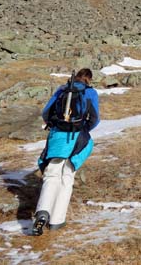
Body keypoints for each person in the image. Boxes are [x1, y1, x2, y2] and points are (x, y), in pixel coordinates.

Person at [32, 68, 100, 235]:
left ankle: (42, 213)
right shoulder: (90, 92)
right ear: (89, 79)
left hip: (57, 136)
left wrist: (55, 126)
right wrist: (83, 129)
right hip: (76, 137)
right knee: (67, 176)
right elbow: (95, 118)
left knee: (52, 174)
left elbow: (46, 112)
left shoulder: (62, 89)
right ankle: (57, 220)